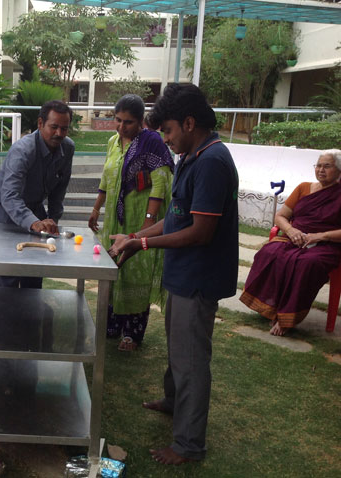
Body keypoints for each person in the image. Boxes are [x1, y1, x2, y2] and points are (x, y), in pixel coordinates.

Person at [108, 83, 239, 465]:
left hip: (198, 278)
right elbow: (174, 218)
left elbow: (200, 231)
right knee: (178, 351)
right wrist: (135, 236)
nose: (164, 139)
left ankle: (188, 446)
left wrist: (142, 246)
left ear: (189, 122)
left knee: (192, 360)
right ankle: (172, 401)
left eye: (167, 131)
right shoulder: (193, 155)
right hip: (181, 276)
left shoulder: (213, 161)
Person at [88, 94, 174, 352]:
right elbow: (106, 177)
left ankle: (132, 333)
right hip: (115, 219)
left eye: (129, 122)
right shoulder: (113, 142)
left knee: (135, 271)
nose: (122, 127)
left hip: (140, 216)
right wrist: (96, 209)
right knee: (113, 267)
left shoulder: (153, 143)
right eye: (118, 120)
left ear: (140, 121)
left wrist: (147, 224)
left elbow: (160, 182)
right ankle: (112, 325)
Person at [240, 149, 341, 336]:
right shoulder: (303, 187)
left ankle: (286, 318)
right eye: (318, 165)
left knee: (306, 264)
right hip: (293, 237)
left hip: (326, 244)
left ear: (339, 169)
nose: (320, 170)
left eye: (327, 166)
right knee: (269, 253)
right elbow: (281, 216)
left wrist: (320, 236)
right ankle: (270, 308)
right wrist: (291, 230)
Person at [0, 100, 74, 288]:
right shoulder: (23, 150)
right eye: (54, 127)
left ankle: (33, 315)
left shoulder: (68, 148)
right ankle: (8, 314)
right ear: (40, 123)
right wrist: (34, 222)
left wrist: (52, 219)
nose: (59, 133)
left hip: (35, 208)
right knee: (9, 271)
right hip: (6, 210)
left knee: (35, 269)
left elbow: (59, 190)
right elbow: (9, 195)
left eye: (64, 128)